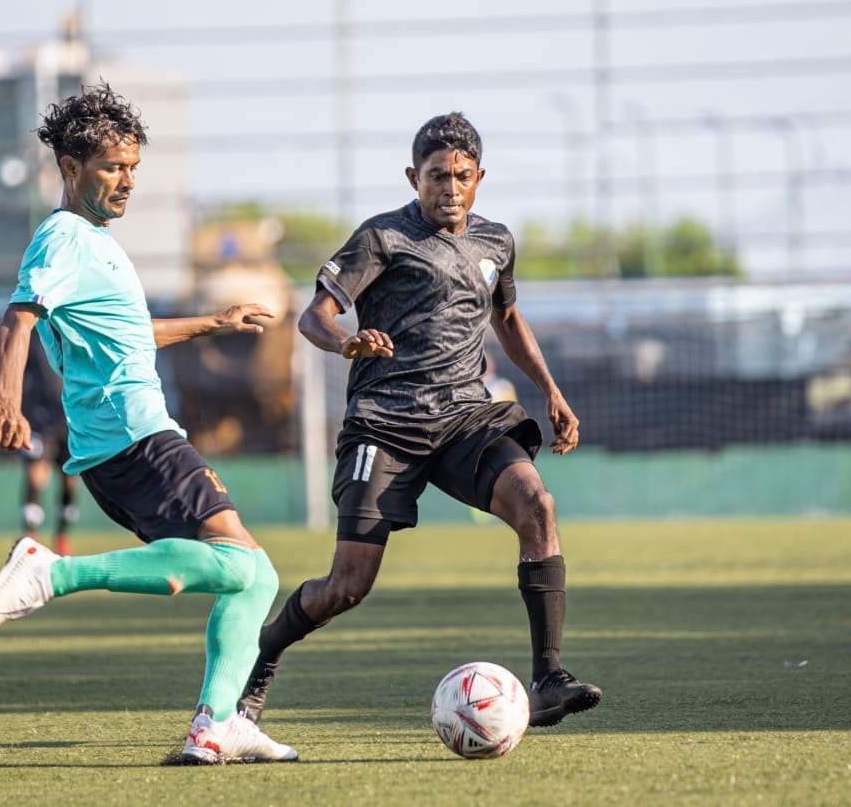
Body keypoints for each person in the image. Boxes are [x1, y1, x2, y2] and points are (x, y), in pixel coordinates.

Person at [238, 112, 602, 730]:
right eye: (437, 176)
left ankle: (547, 679)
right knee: (348, 585)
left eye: (462, 176)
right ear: (414, 177)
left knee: (537, 506)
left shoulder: (497, 242)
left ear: (479, 177)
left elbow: (507, 320)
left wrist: (552, 391)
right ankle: (263, 653)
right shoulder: (382, 238)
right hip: (385, 423)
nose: (450, 188)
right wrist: (346, 342)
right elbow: (314, 316)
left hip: (465, 417)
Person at [0, 82, 297, 765]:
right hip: (136, 436)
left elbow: (129, 333)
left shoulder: (91, 241)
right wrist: (6, 401)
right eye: (112, 167)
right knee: (242, 565)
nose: (127, 181)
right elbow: (17, 318)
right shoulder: (64, 239)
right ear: (70, 168)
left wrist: (213, 322)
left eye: (133, 168)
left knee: (255, 576)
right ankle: (51, 573)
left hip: (122, 443)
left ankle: (218, 723)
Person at [19, 338, 79, 555]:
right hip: (39, 419)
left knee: (69, 480)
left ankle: (62, 536)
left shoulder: (75, 333)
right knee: (36, 475)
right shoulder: (33, 333)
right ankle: (30, 536)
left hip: (70, 419)